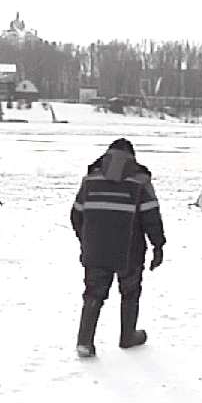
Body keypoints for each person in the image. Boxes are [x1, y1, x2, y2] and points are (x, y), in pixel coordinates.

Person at [70, 138, 166, 357]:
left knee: (93, 293)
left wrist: (86, 240)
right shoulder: (140, 182)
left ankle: (84, 342)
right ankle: (128, 336)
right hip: (130, 251)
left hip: (95, 250)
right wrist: (158, 246)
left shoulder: (90, 181)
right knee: (130, 292)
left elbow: (76, 215)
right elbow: (152, 217)